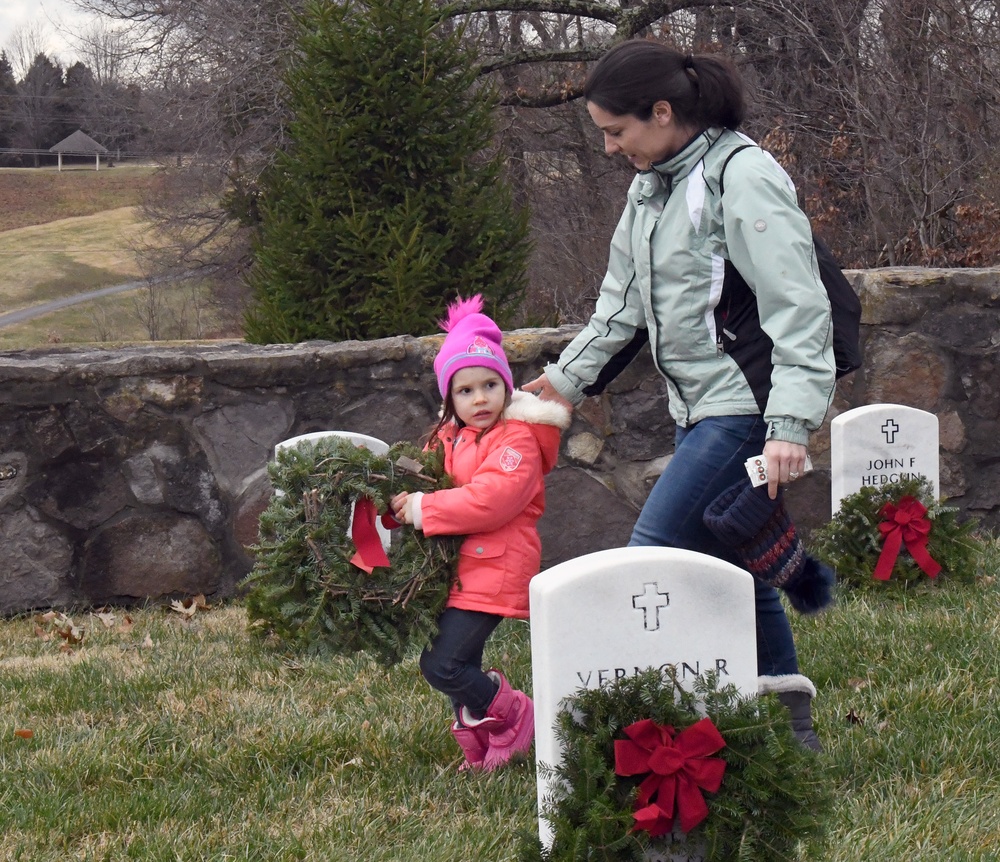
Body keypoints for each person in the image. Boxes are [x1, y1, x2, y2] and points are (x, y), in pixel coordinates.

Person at [522, 40, 835, 749]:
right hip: (699, 411)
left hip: (746, 409)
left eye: (616, 130)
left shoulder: (742, 176)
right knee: (735, 568)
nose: (608, 147)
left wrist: (789, 425)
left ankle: (642, 743)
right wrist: (565, 378)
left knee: (654, 556)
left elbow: (799, 307)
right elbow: (622, 302)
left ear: (662, 112)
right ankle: (788, 740)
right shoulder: (651, 186)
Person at [392, 294, 571, 770]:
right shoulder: (447, 437)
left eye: (490, 385)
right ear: (449, 397)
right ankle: (487, 740)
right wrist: (399, 505)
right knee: (456, 663)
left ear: (507, 387)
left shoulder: (517, 441)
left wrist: (424, 508)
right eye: (465, 390)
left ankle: (510, 710)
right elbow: (424, 483)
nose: (480, 399)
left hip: (495, 567)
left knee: (442, 664)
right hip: (460, 569)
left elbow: (492, 500)